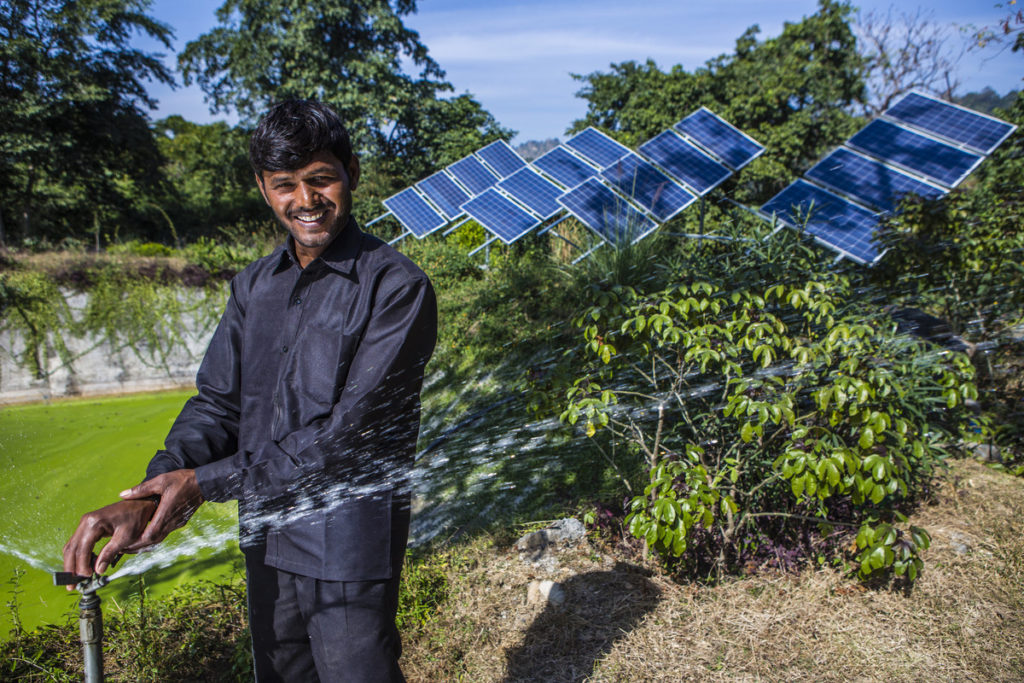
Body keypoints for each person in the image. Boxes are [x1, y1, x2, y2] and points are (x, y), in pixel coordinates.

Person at [62, 99, 437, 682]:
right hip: (266, 537)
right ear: (265, 190)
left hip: (346, 544)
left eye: (320, 179)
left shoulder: (396, 288)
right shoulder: (253, 287)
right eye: (285, 184)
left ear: (351, 174)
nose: (306, 201)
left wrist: (205, 483)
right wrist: (147, 495)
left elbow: (347, 436)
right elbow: (217, 404)